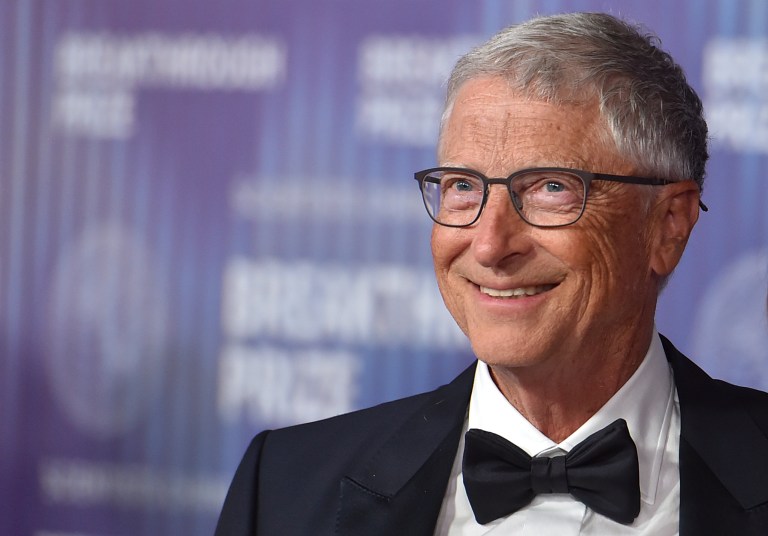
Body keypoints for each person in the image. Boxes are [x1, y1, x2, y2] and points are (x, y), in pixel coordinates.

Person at [215, 12, 768, 535]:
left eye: (552, 187)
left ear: (668, 225)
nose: (489, 244)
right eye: (462, 186)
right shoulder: (285, 486)